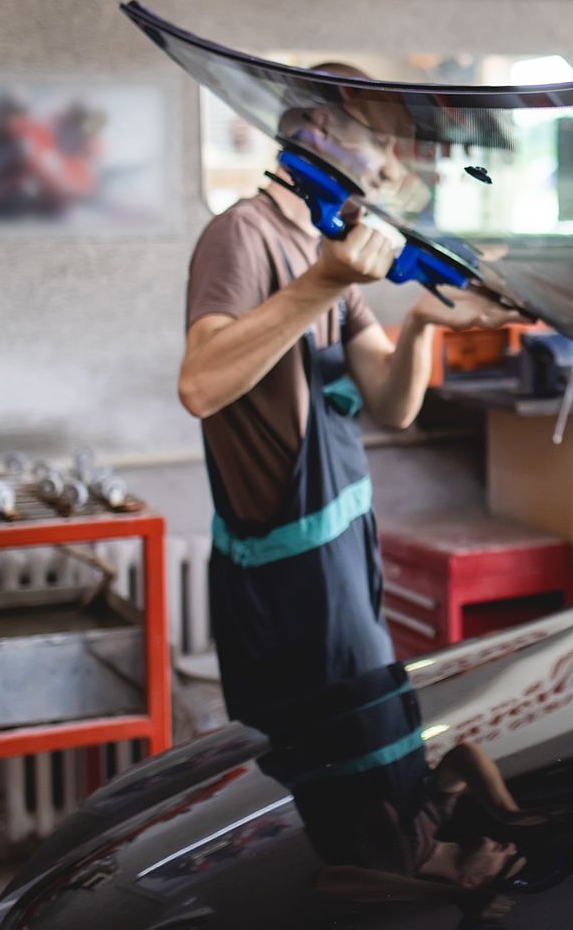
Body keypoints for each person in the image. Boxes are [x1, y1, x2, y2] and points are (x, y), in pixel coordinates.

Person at [180, 67, 519, 723]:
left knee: (368, 752)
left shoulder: (322, 244)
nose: (393, 167)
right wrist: (325, 282)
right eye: (384, 143)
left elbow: (392, 405)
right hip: (285, 578)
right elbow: (199, 386)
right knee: (331, 763)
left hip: (346, 549)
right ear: (321, 130)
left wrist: (423, 323)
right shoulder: (243, 234)